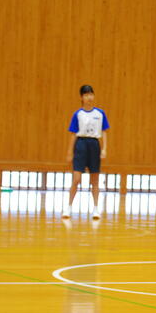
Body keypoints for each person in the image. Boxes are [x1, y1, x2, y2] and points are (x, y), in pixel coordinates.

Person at [63, 85, 109, 219]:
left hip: (94, 144)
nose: (89, 97)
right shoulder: (77, 114)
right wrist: (70, 152)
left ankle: (96, 209)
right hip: (81, 144)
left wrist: (104, 148)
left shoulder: (100, 113)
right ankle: (68, 208)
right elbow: (73, 134)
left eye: (91, 94)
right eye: (86, 95)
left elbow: (104, 132)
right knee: (76, 179)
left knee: (95, 180)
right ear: (81, 97)